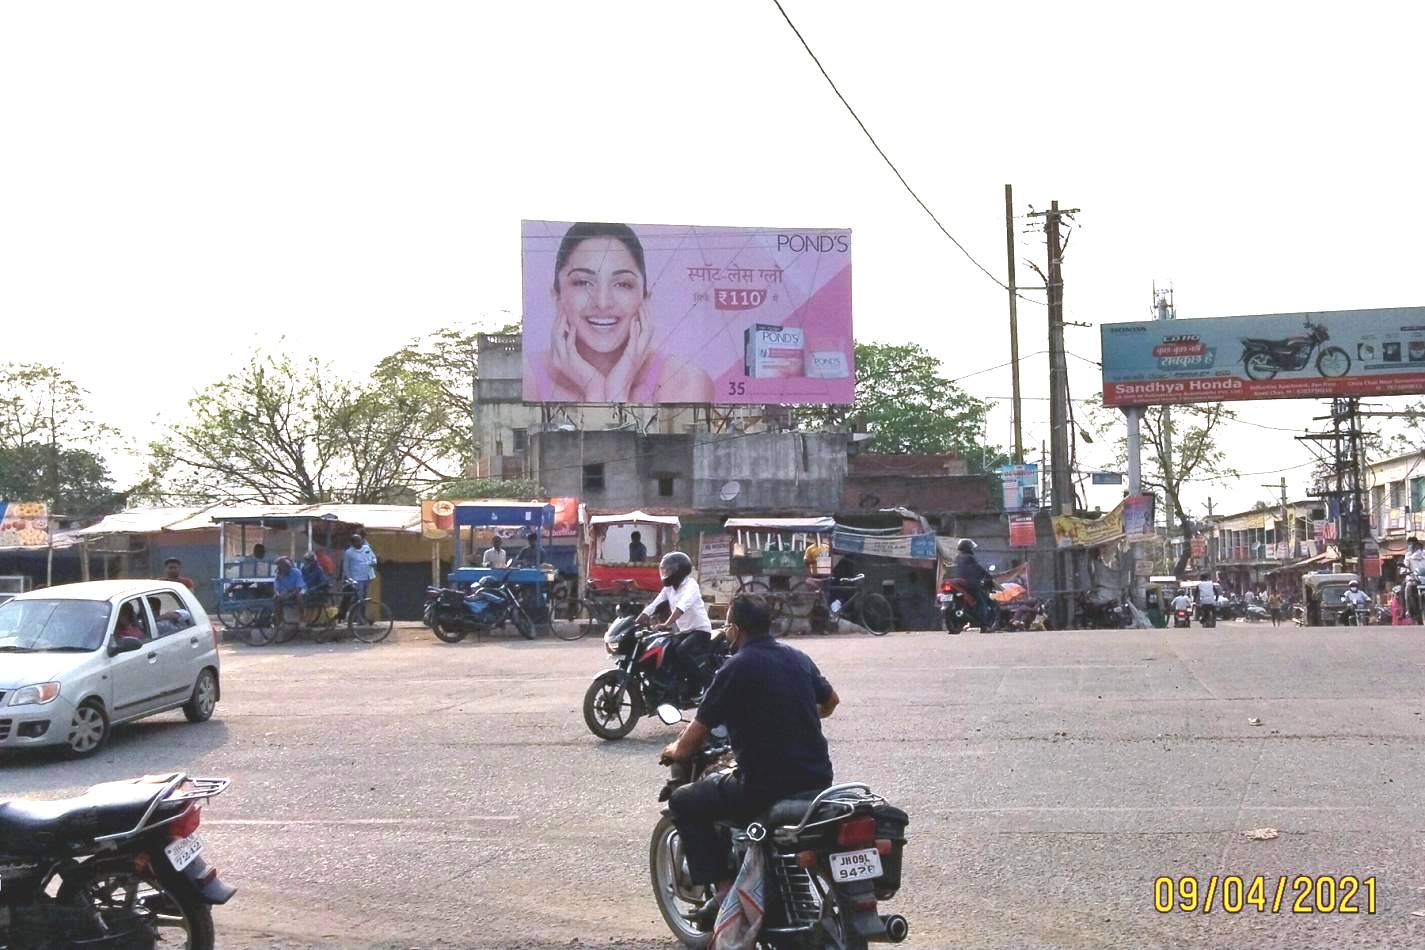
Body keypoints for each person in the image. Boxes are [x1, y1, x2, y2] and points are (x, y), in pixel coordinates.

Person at [660, 595, 839, 929]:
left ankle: (724, 893)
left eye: (728, 625)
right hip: (818, 781)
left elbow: (695, 735)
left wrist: (674, 750)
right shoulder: (798, 658)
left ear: (736, 629)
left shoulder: (736, 667)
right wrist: (795, 715)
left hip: (764, 787)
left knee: (684, 800)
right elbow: (831, 702)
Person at [534, 222, 715, 404]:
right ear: (557, 298)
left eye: (622, 284)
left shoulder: (686, 380)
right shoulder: (530, 379)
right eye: (583, 283)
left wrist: (617, 389)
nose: (603, 303)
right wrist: (595, 388)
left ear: (645, 299)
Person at [637, 552, 714, 703]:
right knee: (665, 649)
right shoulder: (669, 589)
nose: (665, 573)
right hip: (684, 631)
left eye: (669, 570)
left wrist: (667, 624)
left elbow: (681, 607)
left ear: (680, 570)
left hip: (700, 631)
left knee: (682, 651)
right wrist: (637, 621)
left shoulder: (691, 585)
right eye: (664, 570)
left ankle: (702, 685)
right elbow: (654, 605)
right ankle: (674, 687)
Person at [951, 538, 998, 632]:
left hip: (957, 582)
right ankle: (984, 625)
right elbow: (978, 568)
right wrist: (987, 575)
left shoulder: (957, 557)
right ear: (968, 548)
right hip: (969, 583)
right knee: (982, 601)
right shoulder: (969, 557)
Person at [342, 534, 378, 605]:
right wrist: (349, 578)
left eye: (360, 540)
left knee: (366, 597)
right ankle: (357, 611)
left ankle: (363, 611)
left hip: (368, 576)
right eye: (357, 541)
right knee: (359, 598)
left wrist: (374, 562)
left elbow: (373, 557)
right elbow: (346, 566)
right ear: (353, 543)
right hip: (357, 578)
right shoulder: (349, 552)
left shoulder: (367, 548)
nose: (359, 542)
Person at [272, 556, 307, 627]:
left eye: (284, 567)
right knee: (276, 598)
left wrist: (290, 595)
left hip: (298, 590)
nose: (283, 570)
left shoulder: (296, 572)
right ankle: (279, 622)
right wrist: (278, 594)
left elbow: (299, 587)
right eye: (281, 568)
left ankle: (302, 618)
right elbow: (276, 588)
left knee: (299, 596)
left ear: (288, 567)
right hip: (286, 592)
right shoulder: (279, 575)